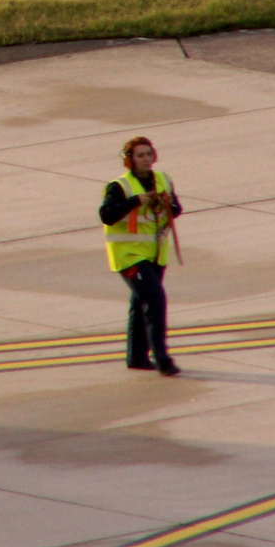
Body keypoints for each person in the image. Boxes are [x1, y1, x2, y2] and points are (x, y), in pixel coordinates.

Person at [100, 136, 182, 375]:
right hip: (129, 255)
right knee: (156, 300)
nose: (146, 159)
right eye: (140, 155)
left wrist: (166, 204)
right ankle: (162, 359)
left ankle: (136, 357)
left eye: (148, 154)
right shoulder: (119, 187)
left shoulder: (163, 180)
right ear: (130, 160)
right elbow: (106, 215)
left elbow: (177, 209)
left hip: (155, 254)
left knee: (140, 302)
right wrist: (134, 202)